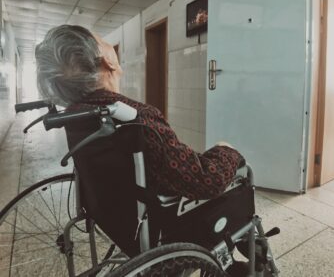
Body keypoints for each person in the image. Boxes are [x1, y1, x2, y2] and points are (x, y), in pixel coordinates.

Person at [35, 24, 244, 201]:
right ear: (106, 61)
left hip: (114, 215)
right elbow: (205, 183)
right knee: (239, 176)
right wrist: (225, 151)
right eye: (103, 41)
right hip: (159, 221)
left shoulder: (76, 114)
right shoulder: (139, 118)